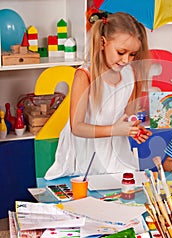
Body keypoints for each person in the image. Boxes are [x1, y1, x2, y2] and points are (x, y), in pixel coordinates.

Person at [45, 12, 152, 180]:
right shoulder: (85, 75)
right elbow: (77, 127)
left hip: (115, 147)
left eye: (132, 55)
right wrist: (115, 130)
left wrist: (133, 129)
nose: (126, 60)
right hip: (85, 150)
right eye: (121, 52)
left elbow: (125, 115)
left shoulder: (129, 73)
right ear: (103, 43)